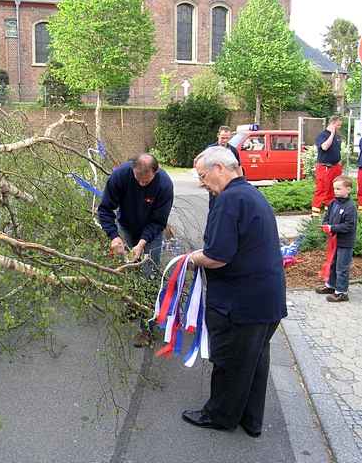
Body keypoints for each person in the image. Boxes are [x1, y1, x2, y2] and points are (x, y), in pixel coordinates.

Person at [182, 146, 287, 438]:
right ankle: (250, 419)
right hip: (266, 301)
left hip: (240, 304)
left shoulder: (230, 200)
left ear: (220, 169)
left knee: (229, 361)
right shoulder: (249, 194)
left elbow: (218, 256)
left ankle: (220, 415)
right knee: (253, 362)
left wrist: (191, 259)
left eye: (203, 176)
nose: (202, 182)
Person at [97, 153, 174, 346]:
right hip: (127, 228)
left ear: (155, 173)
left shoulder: (164, 185)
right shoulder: (120, 176)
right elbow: (105, 209)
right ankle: (133, 308)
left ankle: (146, 328)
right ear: (133, 169)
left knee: (148, 275)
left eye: (145, 181)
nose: (140, 184)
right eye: (137, 179)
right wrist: (114, 236)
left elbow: (159, 221)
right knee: (130, 272)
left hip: (152, 232)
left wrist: (142, 243)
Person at [315, 176, 357, 302]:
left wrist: (332, 228)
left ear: (348, 190)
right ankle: (331, 286)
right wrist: (326, 225)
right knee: (332, 265)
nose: (336, 191)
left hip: (345, 243)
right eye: (335, 189)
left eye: (339, 189)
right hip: (333, 241)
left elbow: (349, 226)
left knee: (341, 267)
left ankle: (342, 292)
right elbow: (327, 217)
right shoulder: (333, 203)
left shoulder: (350, 207)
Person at [311, 116, 343, 218]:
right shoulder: (322, 135)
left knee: (332, 190)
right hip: (325, 167)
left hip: (335, 167)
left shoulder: (338, 137)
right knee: (321, 189)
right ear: (332, 123)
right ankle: (315, 214)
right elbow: (324, 147)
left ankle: (328, 212)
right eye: (338, 125)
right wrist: (332, 134)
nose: (339, 127)